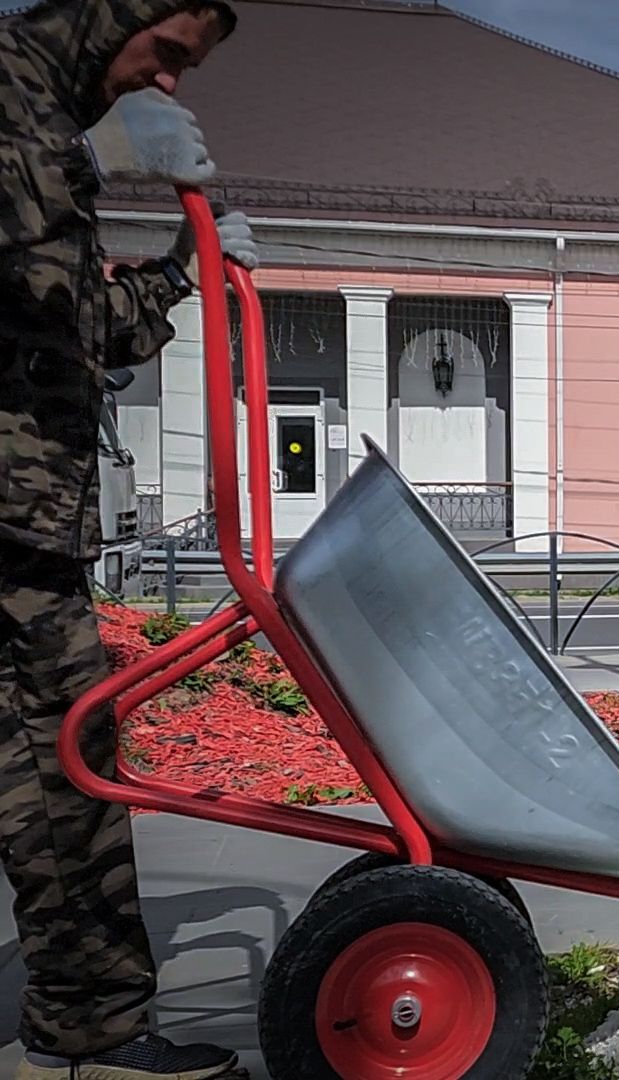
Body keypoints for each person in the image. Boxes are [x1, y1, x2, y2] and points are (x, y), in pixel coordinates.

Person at [2, 2, 258, 1077]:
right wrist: (88, 159)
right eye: (164, 54)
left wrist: (182, 269)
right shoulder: (18, 98)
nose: (169, 84)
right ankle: (88, 1036)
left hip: (28, 531)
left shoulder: (50, 120)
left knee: (67, 774)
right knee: (60, 775)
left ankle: (88, 1035)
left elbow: (78, 323)